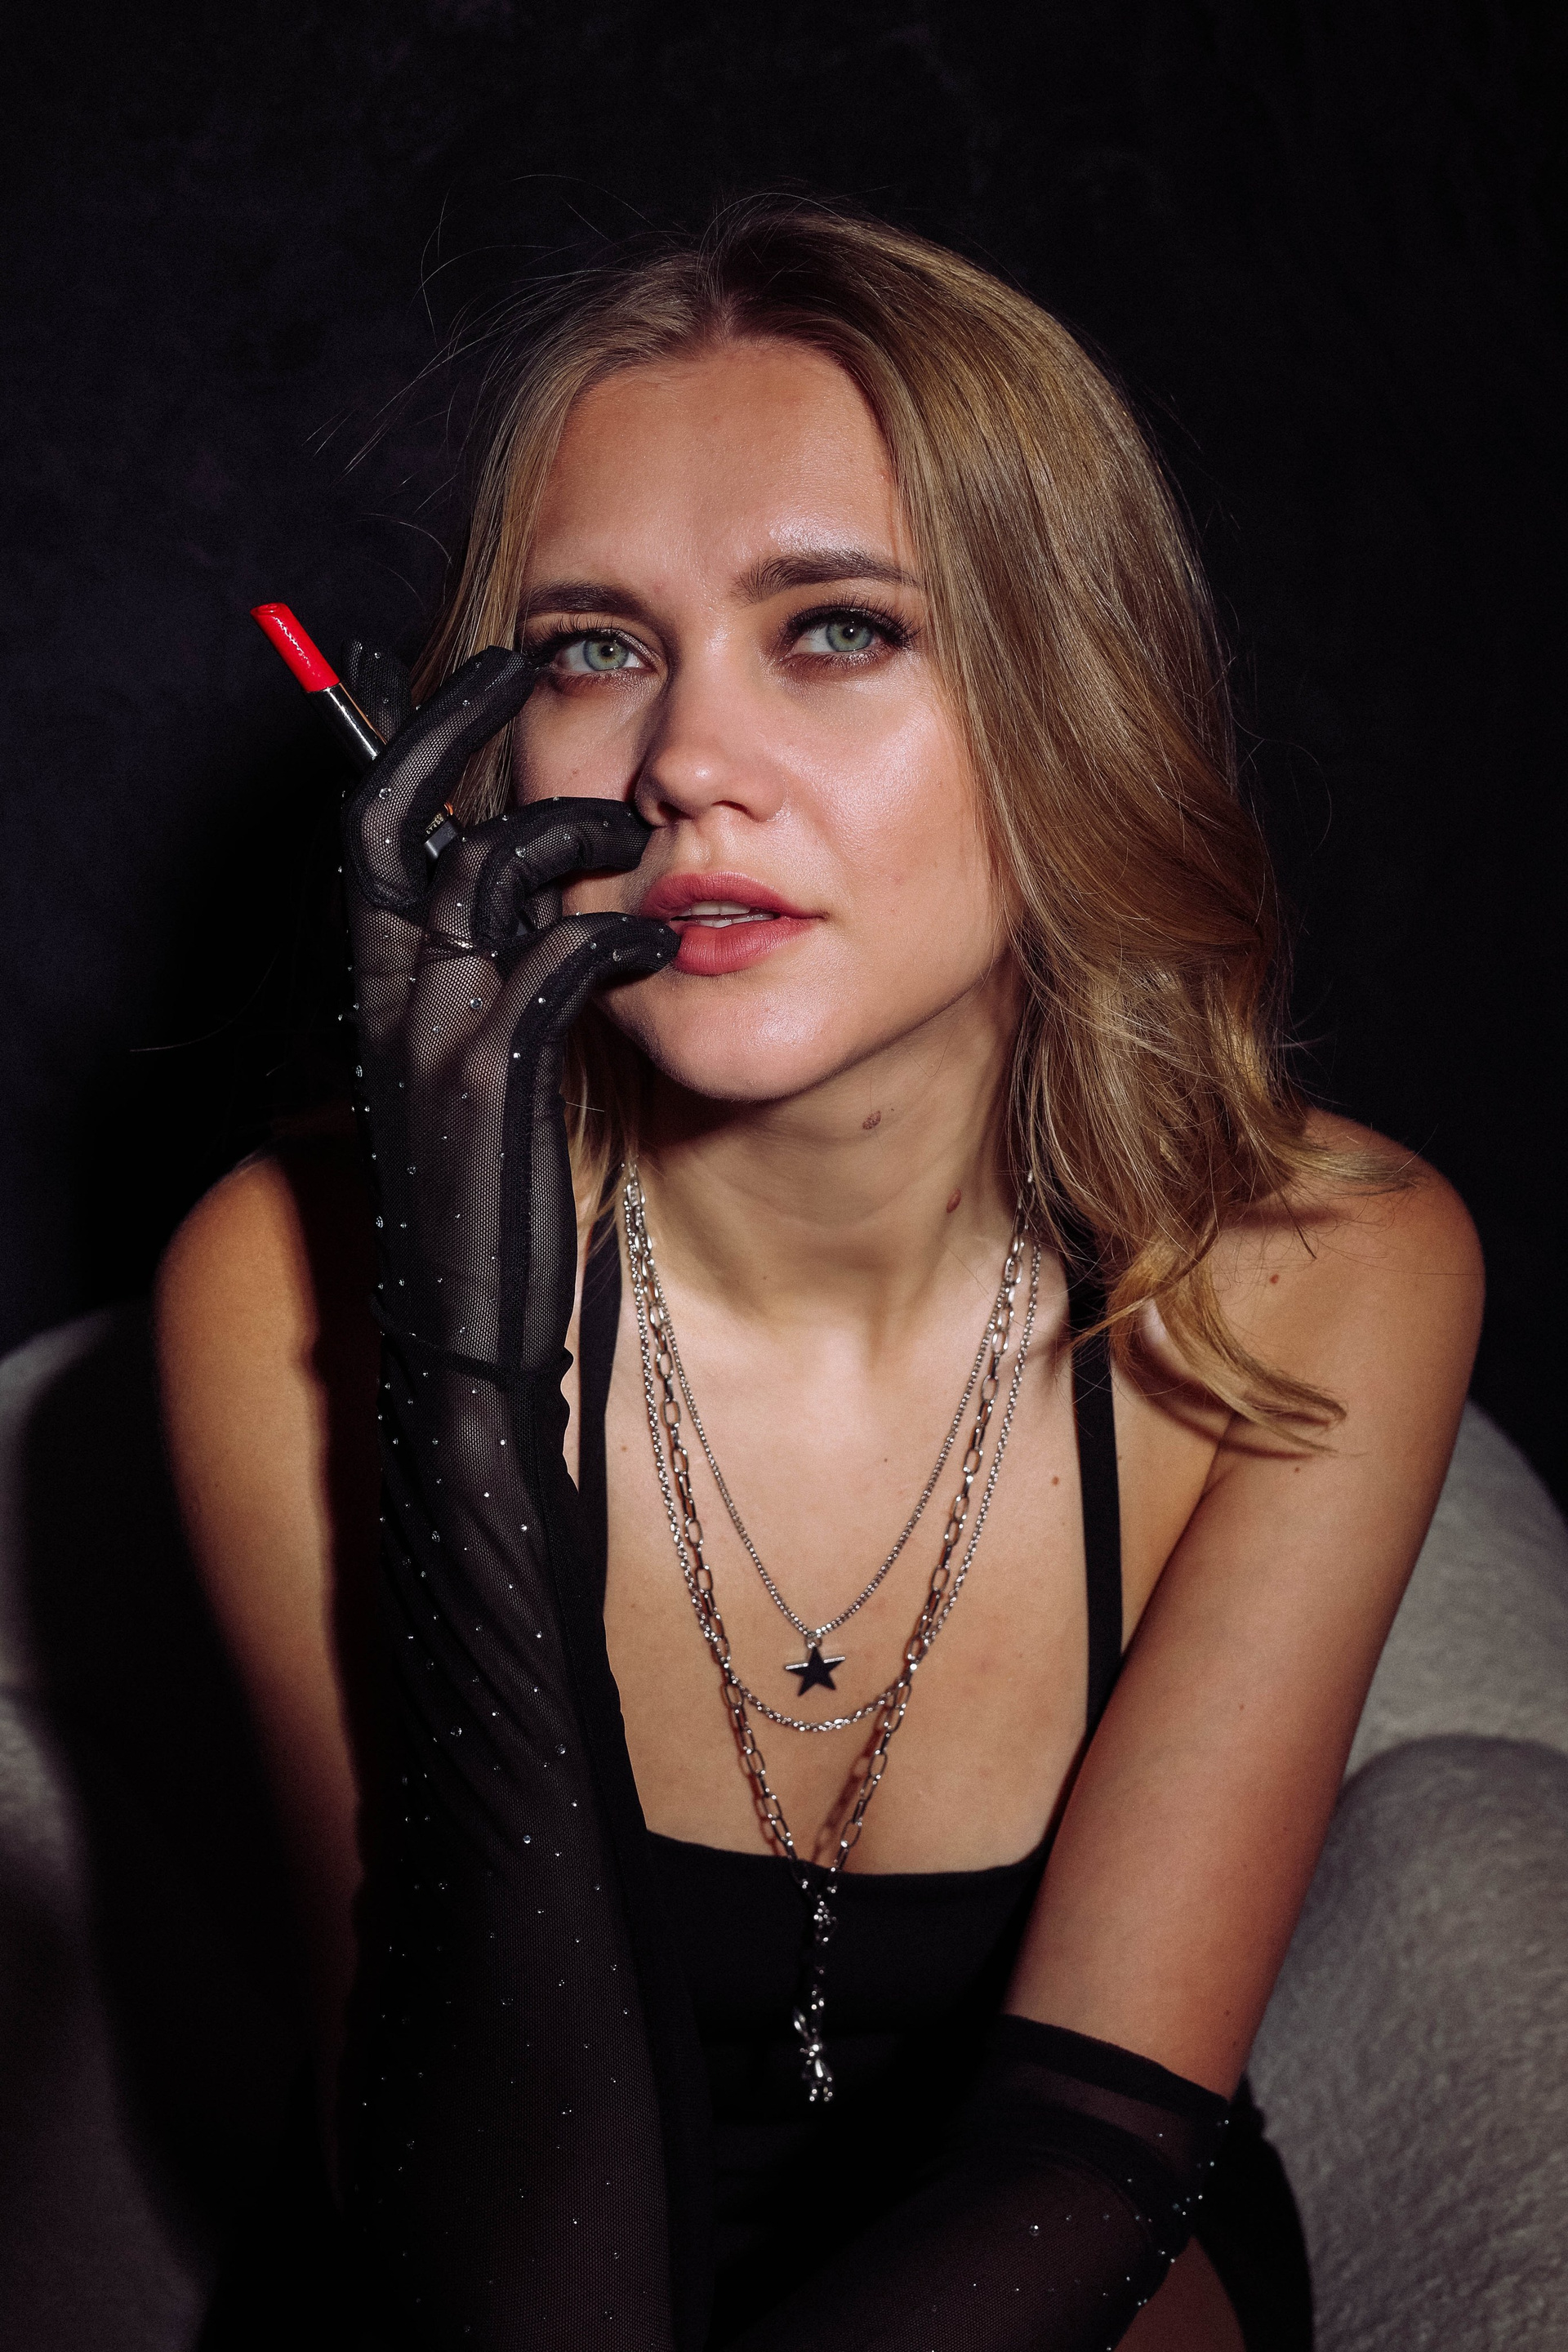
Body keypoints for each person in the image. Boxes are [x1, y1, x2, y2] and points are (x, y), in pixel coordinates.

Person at [155, 201, 1483, 2350]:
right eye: (595, 648)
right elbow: (467, 2256)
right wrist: (461, 1375)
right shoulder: (278, 1278)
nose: (686, 760)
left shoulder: (1331, 1265)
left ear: (1070, 689)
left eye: (838, 628)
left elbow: (1090, 2160)